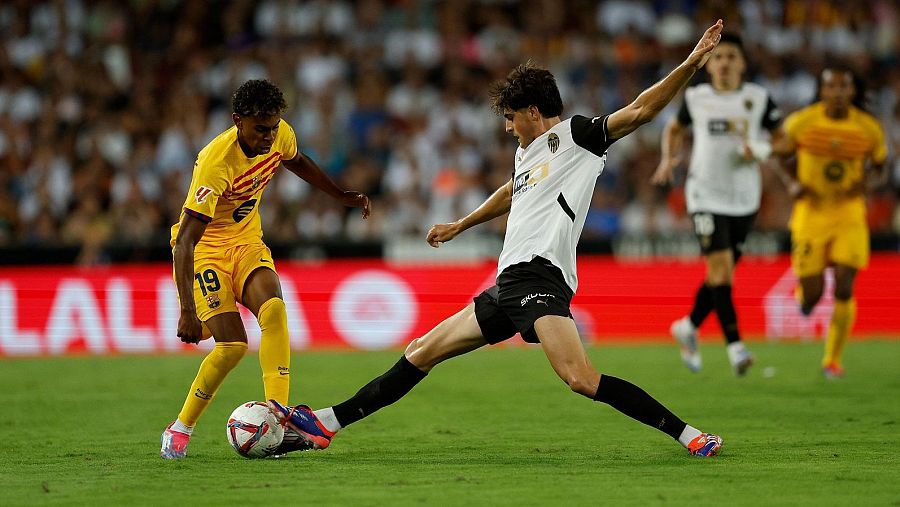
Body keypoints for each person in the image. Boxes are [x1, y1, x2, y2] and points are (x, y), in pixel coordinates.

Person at [269, 20, 728, 457]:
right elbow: (512, 191)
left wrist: (692, 61)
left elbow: (642, 109)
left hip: (540, 277)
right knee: (421, 351)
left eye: (511, 118)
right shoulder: (526, 154)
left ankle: (690, 435)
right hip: (509, 283)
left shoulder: (578, 136)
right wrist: (461, 224)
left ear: (533, 111)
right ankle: (326, 423)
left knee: (581, 379)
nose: (507, 128)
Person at [159, 79, 370, 459]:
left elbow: (298, 161)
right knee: (232, 346)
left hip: (247, 243)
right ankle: (181, 426)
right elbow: (187, 241)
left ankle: (279, 413)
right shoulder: (215, 162)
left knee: (273, 308)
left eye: (274, 127)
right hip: (207, 251)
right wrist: (187, 311)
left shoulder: (279, 133)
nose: (269, 136)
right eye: (260, 129)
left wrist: (339, 195)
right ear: (238, 121)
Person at [651, 34, 782, 376]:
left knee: (719, 274)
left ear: (742, 63)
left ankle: (689, 326)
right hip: (704, 195)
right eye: (718, 56)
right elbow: (674, 128)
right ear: (709, 64)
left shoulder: (758, 98)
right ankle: (736, 347)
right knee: (722, 270)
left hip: (745, 198)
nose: (723, 62)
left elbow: (784, 139)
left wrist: (763, 149)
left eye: (730, 57)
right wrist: (668, 159)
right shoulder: (697, 97)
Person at [771, 67, 887, 378]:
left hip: (849, 213)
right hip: (811, 213)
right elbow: (777, 155)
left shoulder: (868, 128)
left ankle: (832, 360)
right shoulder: (802, 122)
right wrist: (792, 183)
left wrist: (867, 185)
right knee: (813, 292)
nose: (837, 92)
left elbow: (880, 168)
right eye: (830, 87)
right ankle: (804, 299)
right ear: (822, 91)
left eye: (843, 87)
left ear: (852, 91)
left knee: (846, 284)